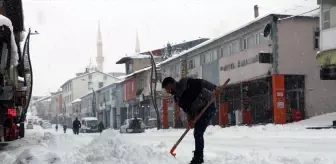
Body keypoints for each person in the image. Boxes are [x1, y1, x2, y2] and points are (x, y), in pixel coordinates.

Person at [162, 76, 221, 164]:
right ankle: (198, 156)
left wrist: (215, 87)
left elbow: (202, 82)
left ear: (170, 85)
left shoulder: (185, 82)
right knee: (197, 133)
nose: (166, 91)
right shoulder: (177, 98)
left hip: (208, 104)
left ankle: (198, 158)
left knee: (198, 132)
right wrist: (190, 120)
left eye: (166, 88)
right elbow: (187, 110)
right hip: (198, 111)